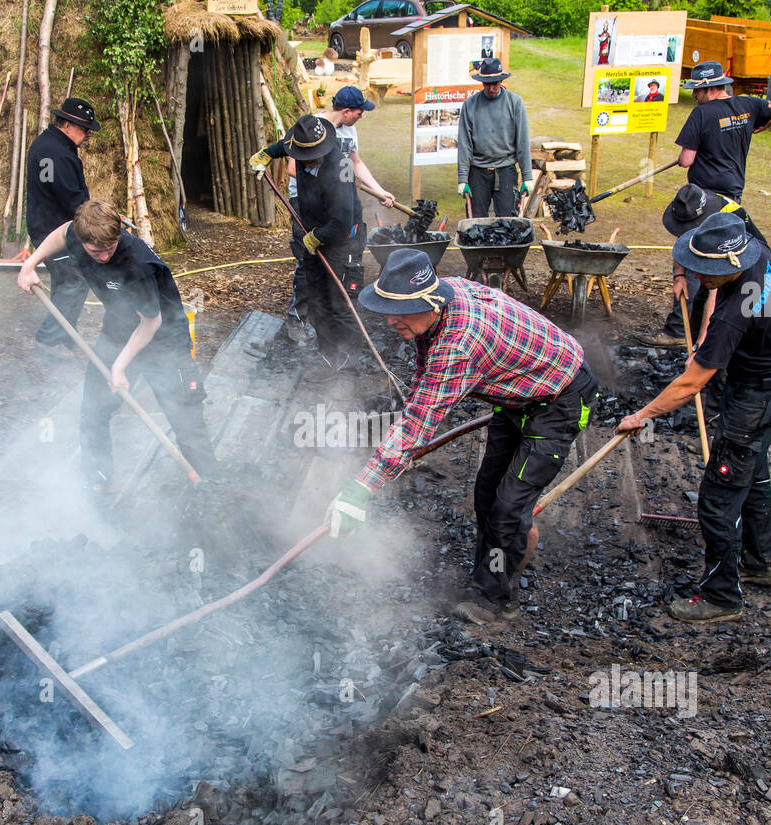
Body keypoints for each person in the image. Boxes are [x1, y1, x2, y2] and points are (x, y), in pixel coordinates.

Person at [325, 249, 600, 626]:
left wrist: (361, 489)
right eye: (386, 308)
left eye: (400, 311)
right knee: (488, 494)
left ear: (432, 303)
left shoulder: (459, 343)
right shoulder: (443, 300)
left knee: (507, 509)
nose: (390, 320)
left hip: (559, 399)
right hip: (517, 394)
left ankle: (496, 601)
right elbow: (427, 383)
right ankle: (502, 557)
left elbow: (419, 420)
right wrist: (414, 425)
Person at [618, 212, 771, 624]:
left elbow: (689, 386)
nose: (700, 273)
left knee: (718, 498)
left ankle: (721, 596)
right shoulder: (757, 251)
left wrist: (641, 415)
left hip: (754, 396)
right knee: (753, 475)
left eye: (707, 270)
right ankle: (761, 562)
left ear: (729, 264)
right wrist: (700, 341)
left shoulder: (733, 315)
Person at [17, 199, 217, 491]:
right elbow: (62, 233)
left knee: (185, 418)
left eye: (109, 248)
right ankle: (98, 478)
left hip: (165, 342)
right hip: (118, 333)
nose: (102, 256)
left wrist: (119, 367)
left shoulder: (137, 265)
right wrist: (30, 264)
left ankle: (211, 484)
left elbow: (150, 323)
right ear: (83, 239)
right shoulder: (79, 233)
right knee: (94, 410)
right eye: (95, 250)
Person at [271, 87, 393, 346]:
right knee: (308, 267)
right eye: (358, 113)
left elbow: (355, 163)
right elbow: (292, 162)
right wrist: (269, 155)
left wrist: (378, 190)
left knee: (338, 282)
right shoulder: (310, 129)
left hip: (337, 212)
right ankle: (298, 319)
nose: (360, 117)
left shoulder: (348, 133)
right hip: (308, 206)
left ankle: (343, 345)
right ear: (346, 111)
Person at [251, 114, 363, 381]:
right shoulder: (299, 148)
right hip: (312, 232)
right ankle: (328, 357)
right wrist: (266, 153)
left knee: (340, 303)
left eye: (313, 154)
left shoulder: (341, 169)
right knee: (317, 299)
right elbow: (283, 145)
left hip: (342, 238)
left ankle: (348, 366)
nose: (309, 158)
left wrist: (316, 238)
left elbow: (343, 221)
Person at [636, 183, 767, 349]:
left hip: (744, 262)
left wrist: (702, 344)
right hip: (719, 252)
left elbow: (714, 293)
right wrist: (679, 276)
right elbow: (683, 241)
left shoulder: (724, 218)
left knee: (720, 307)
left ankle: (706, 345)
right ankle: (687, 337)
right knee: (697, 298)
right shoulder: (691, 202)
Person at [26, 97, 101, 354]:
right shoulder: (54, 152)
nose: (87, 135)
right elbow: (69, 197)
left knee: (66, 281)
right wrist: (95, 218)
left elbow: (58, 189)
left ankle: (65, 333)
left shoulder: (51, 145)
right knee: (75, 281)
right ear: (67, 125)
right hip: (53, 230)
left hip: (53, 225)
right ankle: (47, 340)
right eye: (83, 129)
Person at [675, 61, 771, 203]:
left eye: (697, 90)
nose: (694, 94)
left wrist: (682, 159)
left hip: (704, 195)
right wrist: (767, 124)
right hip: (733, 195)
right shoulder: (748, 104)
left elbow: (687, 160)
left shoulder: (700, 113)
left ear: (711, 89)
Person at [457, 58, 532, 218]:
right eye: (487, 84)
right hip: (477, 171)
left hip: (505, 170)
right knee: (476, 223)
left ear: (501, 80)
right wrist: (463, 179)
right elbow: (465, 145)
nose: (491, 88)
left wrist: (527, 177)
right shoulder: (470, 105)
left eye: (495, 83)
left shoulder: (515, 103)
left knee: (508, 222)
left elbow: (522, 143)